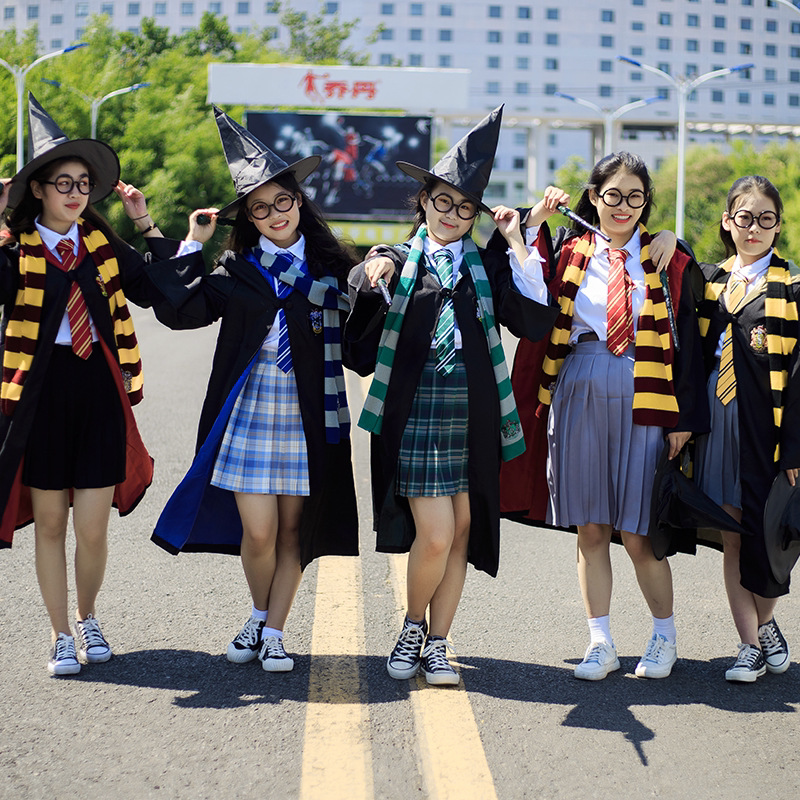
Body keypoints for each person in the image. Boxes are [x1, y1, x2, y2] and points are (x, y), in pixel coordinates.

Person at [345, 107, 559, 686]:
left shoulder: (484, 267)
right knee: (436, 534)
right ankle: (412, 627)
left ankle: (438, 643)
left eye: (465, 208)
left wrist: (517, 238)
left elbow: (531, 319)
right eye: (443, 202)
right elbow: (367, 288)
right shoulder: (398, 259)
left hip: (474, 415)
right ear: (424, 201)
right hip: (417, 413)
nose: (452, 215)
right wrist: (372, 270)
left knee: (463, 530)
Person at [149, 108, 359, 672]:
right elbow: (181, 311)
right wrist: (190, 243)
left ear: (299, 202)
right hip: (251, 408)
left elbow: (362, 342)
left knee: (293, 531)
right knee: (259, 532)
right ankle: (259, 614)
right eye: (260, 208)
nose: (274, 214)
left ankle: (274, 631)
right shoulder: (237, 269)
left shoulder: (332, 272)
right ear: (249, 217)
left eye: (281, 201)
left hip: (309, 411)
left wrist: (382, 274)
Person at [496, 151, 708, 681]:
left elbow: (691, 346)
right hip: (579, 385)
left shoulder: (667, 258)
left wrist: (683, 418)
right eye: (612, 194)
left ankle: (664, 637)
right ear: (593, 197)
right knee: (591, 527)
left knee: (638, 531)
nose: (623, 206)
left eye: (635, 196)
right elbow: (526, 291)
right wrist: (533, 219)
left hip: (646, 392)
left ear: (646, 203)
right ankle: (600, 641)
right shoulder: (570, 252)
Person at [0, 94, 179, 676]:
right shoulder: (17, 252)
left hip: (99, 393)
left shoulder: (101, 247)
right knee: (51, 523)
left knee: (93, 529)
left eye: (82, 183)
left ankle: (88, 616)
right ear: (37, 190)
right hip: (42, 399)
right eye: (63, 183)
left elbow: (158, 288)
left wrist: (144, 221)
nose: (75, 193)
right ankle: (59, 634)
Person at [693, 175, 799, 682]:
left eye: (765, 219)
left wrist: (795, 448)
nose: (754, 228)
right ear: (727, 222)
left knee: (768, 533)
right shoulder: (710, 281)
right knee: (733, 532)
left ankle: (766, 621)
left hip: (767, 426)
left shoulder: (792, 287)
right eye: (744, 217)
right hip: (717, 419)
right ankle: (750, 644)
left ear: (777, 226)